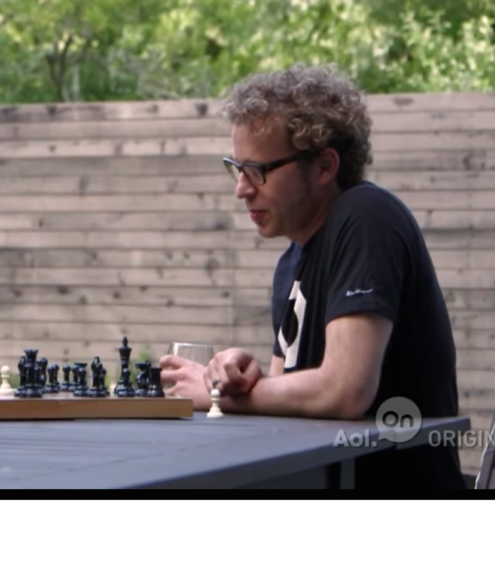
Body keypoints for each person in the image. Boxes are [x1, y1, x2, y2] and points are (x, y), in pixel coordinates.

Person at [160, 65, 466, 489]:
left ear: (324, 165)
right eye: (237, 168)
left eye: (258, 170)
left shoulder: (367, 218)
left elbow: (345, 390)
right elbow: (287, 403)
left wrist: (217, 397)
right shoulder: (292, 262)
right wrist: (242, 377)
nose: (242, 189)